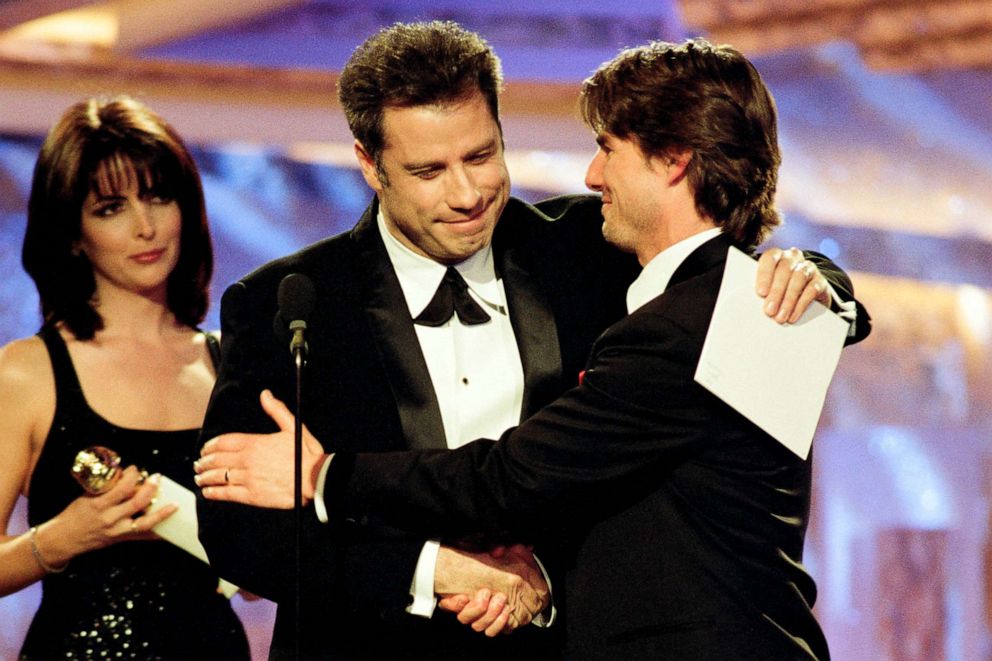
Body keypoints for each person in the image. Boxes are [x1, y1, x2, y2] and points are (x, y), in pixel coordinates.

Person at [194, 22, 867, 661]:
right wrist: (435, 571)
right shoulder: (287, 303)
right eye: (430, 170)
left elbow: (713, 262)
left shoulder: (588, 246)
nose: (467, 193)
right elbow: (240, 536)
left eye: (482, 155)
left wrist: (819, 278)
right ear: (371, 166)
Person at [0, 96, 250, 659]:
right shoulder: (27, 371)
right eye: (110, 207)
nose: (145, 227)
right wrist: (60, 539)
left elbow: (264, 566)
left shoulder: (229, 365)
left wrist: (262, 559)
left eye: (159, 197)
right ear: (72, 232)